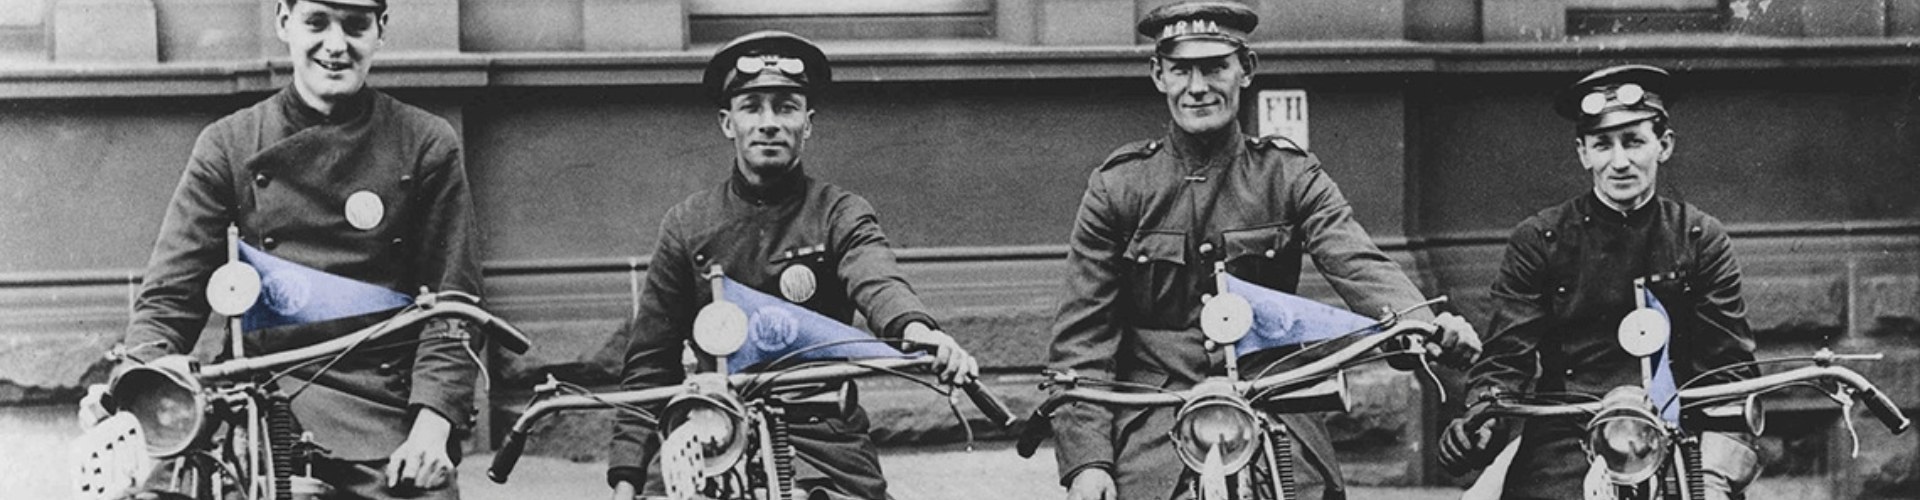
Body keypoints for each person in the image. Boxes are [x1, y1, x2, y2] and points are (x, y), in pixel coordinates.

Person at [1045, 3, 1481, 500]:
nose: (1198, 87)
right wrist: (1087, 462)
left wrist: (1421, 321)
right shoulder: (1119, 187)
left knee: (1308, 491)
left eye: (1214, 67)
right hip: (1156, 414)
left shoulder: (1289, 175)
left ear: (1245, 70)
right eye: (1182, 70)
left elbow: (1355, 258)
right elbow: (1083, 339)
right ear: (1158, 75)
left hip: (1271, 399)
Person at [105, 0, 482, 498]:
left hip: (384, 415)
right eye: (316, 22)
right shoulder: (228, 145)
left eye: (354, 26)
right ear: (284, 22)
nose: (335, 45)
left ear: (380, 30)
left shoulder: (426, 143)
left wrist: (434, 424)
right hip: (257, 403)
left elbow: (455, 304)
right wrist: (139, 379)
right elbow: (170, 299)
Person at [607, 31, 982, 500]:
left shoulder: (839, 212)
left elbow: (876, 276)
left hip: (821, 434)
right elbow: (650, 367)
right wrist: (626, 479)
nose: (768, 123)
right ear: (728, 123)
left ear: (808, 123)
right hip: (713, 431)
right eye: (752, 107)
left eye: (785, 107)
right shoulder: (688, 225)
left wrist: (918, 330)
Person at [1437, 64, 1760, 499]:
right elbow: (1505, 357)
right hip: (1566, 435)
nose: (1619, 161)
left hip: (1673, 431)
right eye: (1602, 145)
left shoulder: (1699, 237)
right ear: (1583, 153)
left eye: (1634, 141)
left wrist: (1714, 470)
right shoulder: (1540, 238)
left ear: (1663, 146)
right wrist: (1483, 416)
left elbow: (1728, 369)